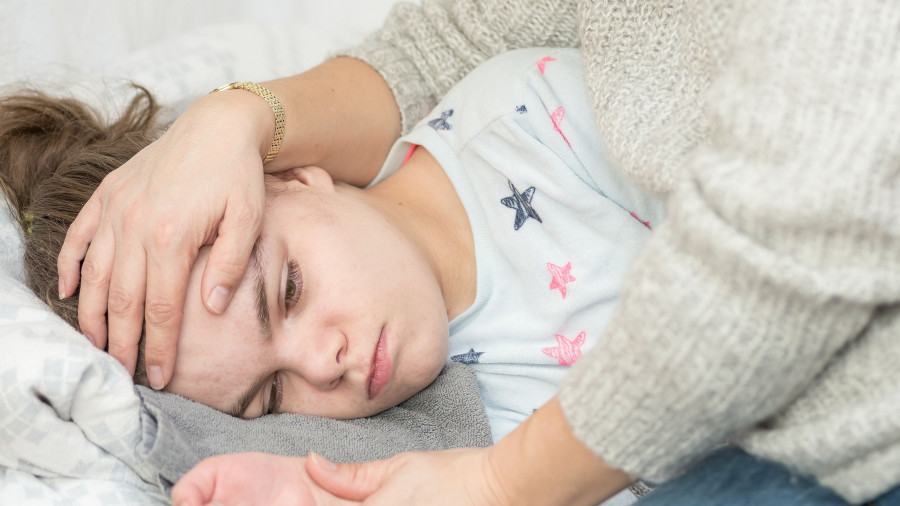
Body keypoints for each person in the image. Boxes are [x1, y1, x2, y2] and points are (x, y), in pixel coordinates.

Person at [60, 0, 900, 504]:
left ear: (300, 179)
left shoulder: (525, 121)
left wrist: (507, 485)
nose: (330, 361)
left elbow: (767, 254)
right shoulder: (453, 414)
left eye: (289, 289)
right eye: (271, 396)